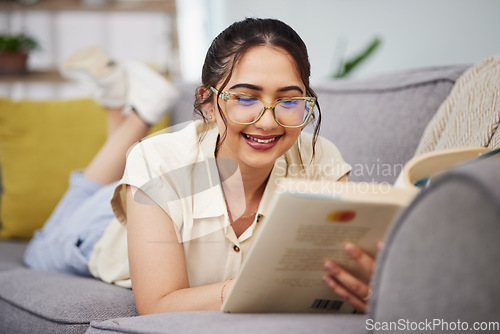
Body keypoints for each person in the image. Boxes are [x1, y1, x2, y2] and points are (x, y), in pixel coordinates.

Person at [24, 18, 376, 315]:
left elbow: (339, 278)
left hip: (152, 193)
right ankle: (138, 111)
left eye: (288, 100)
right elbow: (158, 304)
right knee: (40, 245)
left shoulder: (321, 161)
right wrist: (265, 287)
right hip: (98, 232)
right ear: (207, 103)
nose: (268, 122)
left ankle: (120, 101)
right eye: (245, 97)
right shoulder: (156, 159)